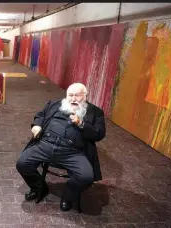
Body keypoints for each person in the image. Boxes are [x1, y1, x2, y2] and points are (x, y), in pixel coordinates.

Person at [16, 82, 106, 211]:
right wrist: (37, 125)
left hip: (73, 151)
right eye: (70, 95)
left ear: (85, 96)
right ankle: (39, 187)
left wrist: (81, 124)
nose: (73, 99)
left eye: (78, 95)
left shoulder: (95, 112)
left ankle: (68, 196)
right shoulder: (54, 104)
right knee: (22, 164)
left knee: (86, 177)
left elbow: (99, 134)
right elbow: (40, 115)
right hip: (45, 144)